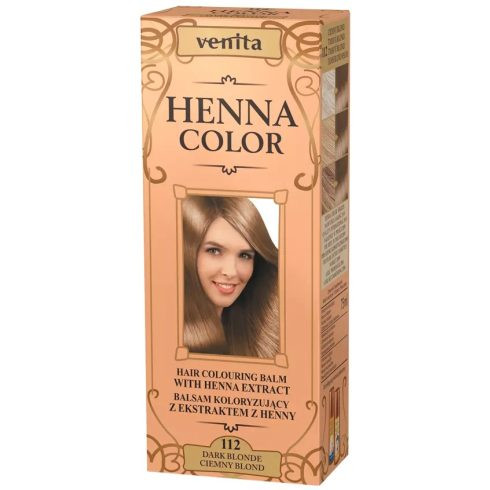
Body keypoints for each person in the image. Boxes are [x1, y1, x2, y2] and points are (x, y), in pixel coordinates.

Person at [182, 196, 279, 358]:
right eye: (214, 251)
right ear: (187, 253)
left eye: (244, 255)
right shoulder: (166, 336)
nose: (232, 271)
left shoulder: (261, 334)